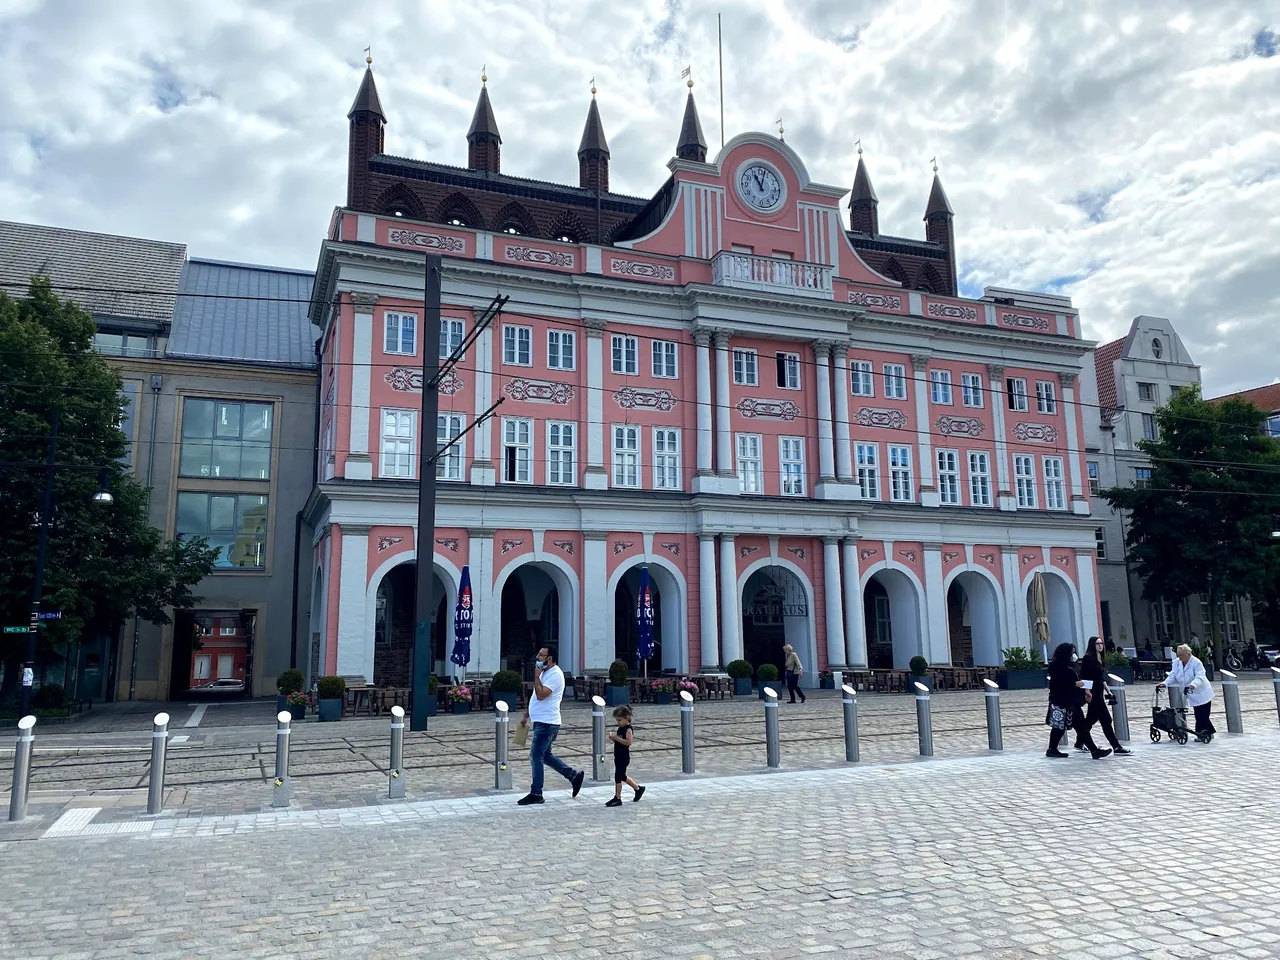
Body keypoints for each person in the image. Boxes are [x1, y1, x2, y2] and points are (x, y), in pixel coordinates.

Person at [517, 644, 585, 806]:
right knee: (545, 755)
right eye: (538, 655)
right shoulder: (545, 673)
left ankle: (536, 792)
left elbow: (541, 695)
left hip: (547, 723)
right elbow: (536, 698)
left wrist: (536, 677)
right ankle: (573, 776)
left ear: (550, 659)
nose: (537, 658)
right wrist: (527, 715)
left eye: (541, 655)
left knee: (535, 756)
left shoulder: (555, 675)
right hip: (541, 720)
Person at [1046, 642, 1111, 760]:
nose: (1074, 655)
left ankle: (1053, 749)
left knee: (1075, 727)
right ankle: (1093, 750)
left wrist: (1084, 690)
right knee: (1064, 727)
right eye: (1072, 652)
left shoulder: (1070, 666)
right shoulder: (1057, 667)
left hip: (1072, 701)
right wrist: (1075, 684)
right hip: (1063, 702)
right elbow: (1058, 684)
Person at [1074, 636, 1132, 755]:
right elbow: (1085, 676)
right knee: (1106, 719)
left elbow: (1101, 677)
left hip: (1099, 692)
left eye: (1101, 643)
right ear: (1092, 645)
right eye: (1097, 643)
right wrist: (1087, 691)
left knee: (1090, 720)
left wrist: (1108, 691)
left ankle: (1080, 742)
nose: (1100, 645)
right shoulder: (1088, 659)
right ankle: (1116, 746)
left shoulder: (1100, 658)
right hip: (1093, 693)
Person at [1159, 643, 1216, 740]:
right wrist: (1165, 683)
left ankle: (1203, 733)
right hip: (1190, 693)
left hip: (1202, 692)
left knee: (1202, 715)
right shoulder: (1176, 662)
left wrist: (1193, 685)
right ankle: (1207, 732)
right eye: (1178, 655)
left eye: (1181, 655)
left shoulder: (1196, 662)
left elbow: (1200, 676)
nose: (1180, 657)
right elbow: (1173, 675)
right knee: (1199, 714)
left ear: (1188, 654)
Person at [605, 706, 645, 807]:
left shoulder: (628, 729)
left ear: (627, 718)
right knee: (622, 776)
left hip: (623, 756)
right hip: (618, 755)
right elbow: (620, 740)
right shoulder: (621, 728)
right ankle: (638, 789)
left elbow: (628, 742)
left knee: (618, 776)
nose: (618, 722)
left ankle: (617, 798)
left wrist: (616, 739)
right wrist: (614, 738)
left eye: (620, 720)